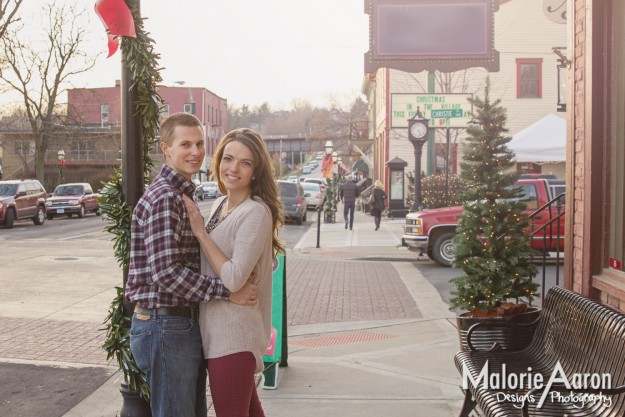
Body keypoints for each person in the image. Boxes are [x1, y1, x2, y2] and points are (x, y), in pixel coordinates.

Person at [125, 113, 257, 417]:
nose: (195, 151)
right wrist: (227, 291)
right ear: (166, 148)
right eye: (185, 144)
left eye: (199, 143)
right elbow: (166, 273)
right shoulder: (165, 198)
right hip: (165, 326)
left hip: (173, 326)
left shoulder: (181, 194)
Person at [182, 128, 285, 417]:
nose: (234, 169)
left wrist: (201, 234)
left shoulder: (255, 212)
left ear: (256, 171)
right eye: (228, 159)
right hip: (217, 332)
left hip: (234, 336)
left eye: (245, 162)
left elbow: (235, 277)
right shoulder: (219, 205)